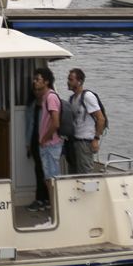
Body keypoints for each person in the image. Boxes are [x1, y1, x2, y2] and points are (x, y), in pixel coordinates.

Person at [29, 66, 63, 202]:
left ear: (46, 82)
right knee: (48, 178)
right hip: (47, 145)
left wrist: (44, 139)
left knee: (52, 180)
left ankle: (56, 210)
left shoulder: (51, 98)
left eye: (38, 79)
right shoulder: (45, 98)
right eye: (35, 79)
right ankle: (53, 209)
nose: (35, 82)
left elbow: (55, 123)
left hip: (50, 145)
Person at [66, 68, 106, 172]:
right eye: (68, 79)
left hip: (85, 142)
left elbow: (101, 119)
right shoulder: (72, 99)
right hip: (74, 141)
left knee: (85, 173)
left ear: (79, 82)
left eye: (71, 79)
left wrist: (96, 139)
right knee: (73, 172)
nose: (68, 82)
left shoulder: (87, 96)